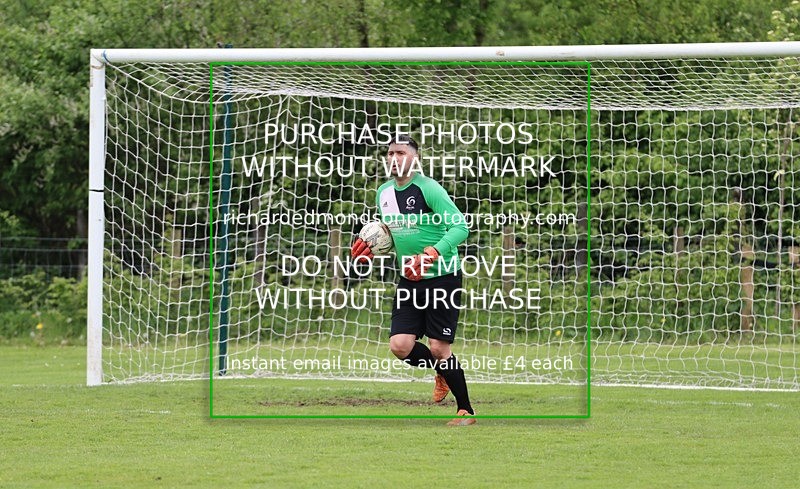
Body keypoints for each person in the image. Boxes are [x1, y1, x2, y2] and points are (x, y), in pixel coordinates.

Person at [351, 134, 475, 426]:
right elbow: (398, 236)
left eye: (401, 153)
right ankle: (442, 373)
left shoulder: (428, 189)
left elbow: (460, 227)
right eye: (390, 153)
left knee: (439, 348)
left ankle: (466, 411)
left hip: (442, 277)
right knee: (400, 345)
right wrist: (374, 249)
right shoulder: (383, 193)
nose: (394, 158)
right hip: (409, 278)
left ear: (414, 158)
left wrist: (433, 253)